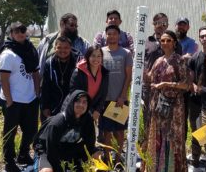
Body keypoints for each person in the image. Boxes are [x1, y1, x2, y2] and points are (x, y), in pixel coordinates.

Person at [144, 30, 191, 172]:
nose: (165, 43)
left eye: (168, 40)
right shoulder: (158, 60)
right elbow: (150, 79)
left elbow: (186, 85)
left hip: (173, 106)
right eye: (162, 40)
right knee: (157, 136)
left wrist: (166, 84)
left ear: (174, 43)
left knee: (172, 138)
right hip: (157, 105)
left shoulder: (179, 60)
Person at [0, 22, 40, 172]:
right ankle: (9, 160)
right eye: (16, 31)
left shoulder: (30, 50)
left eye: (23, 30)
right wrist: (9, 101)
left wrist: (37, 93)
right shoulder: (8, 54)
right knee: (10, 132)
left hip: (30, 98)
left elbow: (35, 73)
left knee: (31, 130)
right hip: (14, 100)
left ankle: (23, 154)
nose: (20, 33)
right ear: (11, 34)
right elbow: (3, 79)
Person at [34, 90, 99, 172]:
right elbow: (51, 150)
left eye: (84, 102)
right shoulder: (58, 122)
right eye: (78, 101)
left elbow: (90, 143)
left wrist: (82, 166)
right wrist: (59, 169)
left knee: (97, 155)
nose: (81, 105)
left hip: (69, 149)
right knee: (47, 171)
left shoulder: (87, 119)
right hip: (47, 151)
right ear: (72, 103)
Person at [99, 25, 133, 164]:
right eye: (109, 34)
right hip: (105, 100)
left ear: (119, 36)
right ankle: (107, 160)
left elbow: (128, 76)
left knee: (119, 132)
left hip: (120, 99)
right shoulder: (100, 52)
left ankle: (118, 159)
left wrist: (122, 96)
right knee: (106, 132)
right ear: (105, 36)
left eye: (114, 34)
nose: (111, 36)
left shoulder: (125, 53)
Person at [187, 26, 206, 171]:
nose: (205, 39)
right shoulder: (194, 57)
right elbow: (190, 77)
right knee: (196, 132)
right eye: (202, 36)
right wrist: (193, 86)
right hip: (196, 102)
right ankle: (196, 159)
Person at [40, 36, 77, 122]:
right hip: (53, 105)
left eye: (66, 48)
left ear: (71, 48)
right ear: (55, 48)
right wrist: (45, 107)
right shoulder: (49, 63)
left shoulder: (77, 62)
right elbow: (45, 86)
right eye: (59, 47)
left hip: (72, 104)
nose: (63, 51)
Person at [69, 46, 109, 122]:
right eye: (93, 56)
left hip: (95, 113)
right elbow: (74, 93)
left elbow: (104, 94)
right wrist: (91, 111)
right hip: (78, 110)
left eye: (99, 56)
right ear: (88, 57)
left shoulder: (104, 73)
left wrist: (97, 111)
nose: (96, 59)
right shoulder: (78, 72)